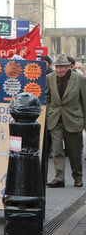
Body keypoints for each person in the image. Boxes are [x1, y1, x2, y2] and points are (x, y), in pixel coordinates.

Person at [45, 54, 86, 188]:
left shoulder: (79, 79)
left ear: (68, 67)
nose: (59, 70)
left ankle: (77, 177)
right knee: (57, 150)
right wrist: (50, 112)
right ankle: (59, 178)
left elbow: (84, 100)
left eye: (62, 67)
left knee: (74, 152)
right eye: (57, 67)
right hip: (55, 118)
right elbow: (47, 97)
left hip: (73, 119)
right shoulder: (49, 78)